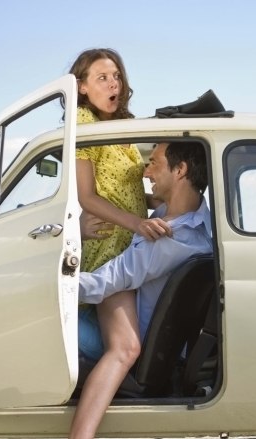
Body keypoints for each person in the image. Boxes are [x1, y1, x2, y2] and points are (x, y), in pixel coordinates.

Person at [71, 141, 213, 439]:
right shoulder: (197, 222)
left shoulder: (169, 239)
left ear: (180, 170)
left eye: (154, 163)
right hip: (149, 338)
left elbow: (103, 283)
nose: (145, 172)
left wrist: (45, 287)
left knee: (30, 324)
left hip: (127, 342)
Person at [66, 48, 172, 439]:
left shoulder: (120, 127)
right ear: (81, 87)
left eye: (116, 76)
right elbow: (88, 197)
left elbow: (129, 191)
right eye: (102, 77)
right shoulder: (85, 122)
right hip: (111, 248)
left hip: (134, 246)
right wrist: (137, 224)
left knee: (134, 343)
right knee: (126, 347)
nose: (114, 84)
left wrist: (172, 206)